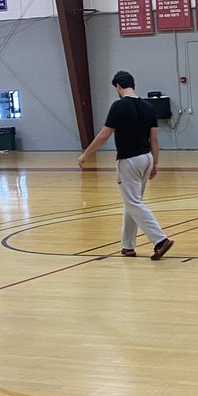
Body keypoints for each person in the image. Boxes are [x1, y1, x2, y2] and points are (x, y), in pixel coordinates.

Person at [77, 70, 174, 259]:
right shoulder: (148, 107)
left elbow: (104, 135)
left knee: (133, 202)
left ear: (118, 87)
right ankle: (127, 246)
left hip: (129, 160)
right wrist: (155, 162)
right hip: (146, 158)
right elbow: (154, 139)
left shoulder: (118, 106)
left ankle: (160, 240)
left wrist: (85, 154)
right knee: (131, 203)